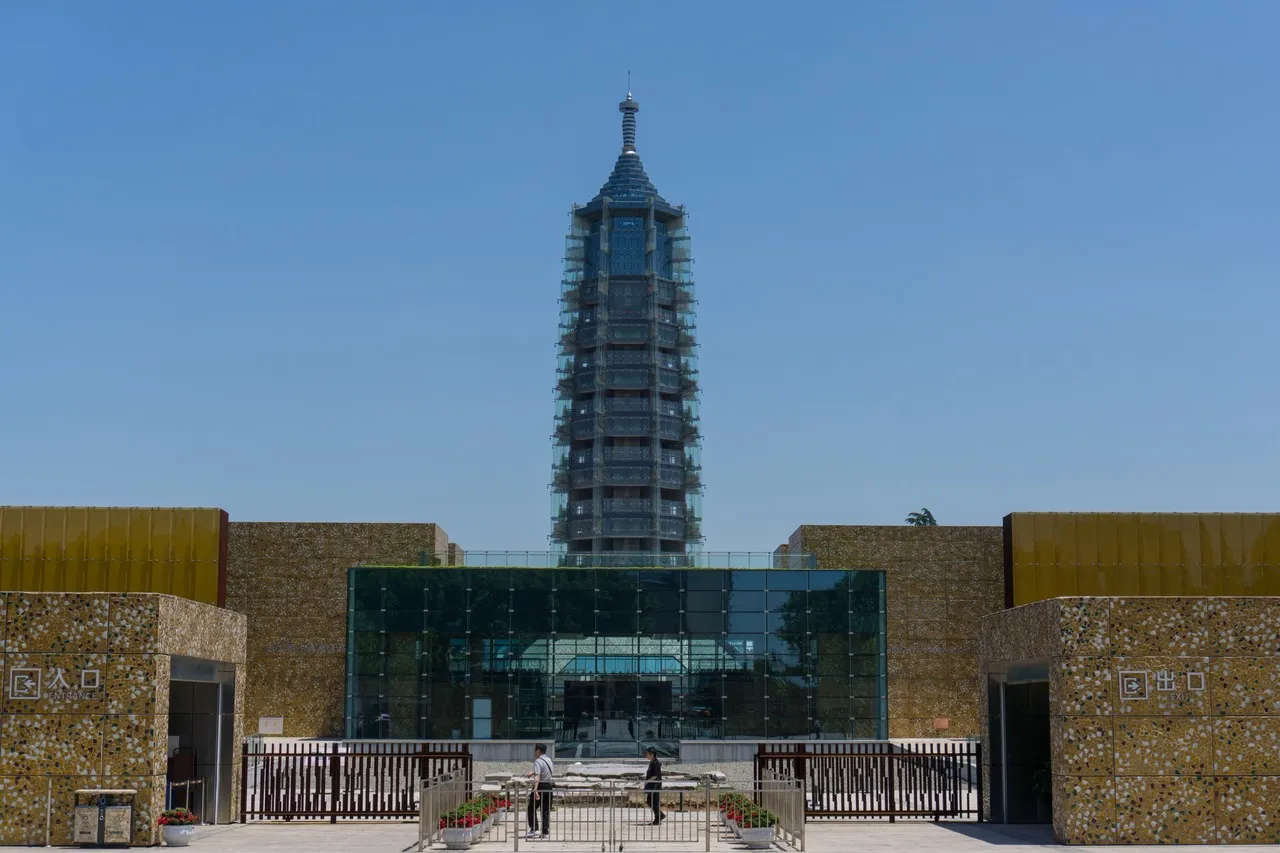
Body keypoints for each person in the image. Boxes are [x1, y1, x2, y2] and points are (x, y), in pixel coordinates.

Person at [525, 743, 554, 840]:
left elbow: (537, 776)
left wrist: (535, 790)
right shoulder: (549, 760)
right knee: (545, 810)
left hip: (540, 786)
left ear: (538, 750)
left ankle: (534, 829)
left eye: (535, 750)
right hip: (549, 786)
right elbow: (545, 771)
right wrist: (533, 772)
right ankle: (545, 832)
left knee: (531, 807)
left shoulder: (538, 761)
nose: (534, 752)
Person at [644, 746, 665, 825]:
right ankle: (660, 815)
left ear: (652, 754)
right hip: (652, 785)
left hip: (655, 786)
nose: (646, 755)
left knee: (654, 802)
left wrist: (647, 781)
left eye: (647, 754)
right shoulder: (652, 762)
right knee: (650, 801)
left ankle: (658, 818)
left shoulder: (656, 763)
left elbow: (655, 775)